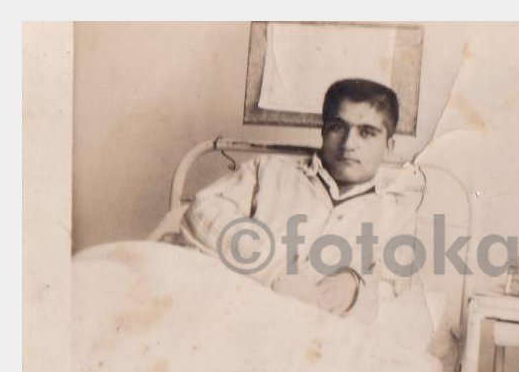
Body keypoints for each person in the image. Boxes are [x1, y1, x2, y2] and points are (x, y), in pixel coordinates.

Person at [161, 79, 425, 319]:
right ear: (323, 132)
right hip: (233, 309)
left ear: (389, 146)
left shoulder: (395, 210)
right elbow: (203, 212)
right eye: (337, 128)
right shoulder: (268, 171)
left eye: (366, 132)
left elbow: (394, 285)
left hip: (318, 332)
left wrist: (356, 286)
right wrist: (275, 270)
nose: (348, 144)